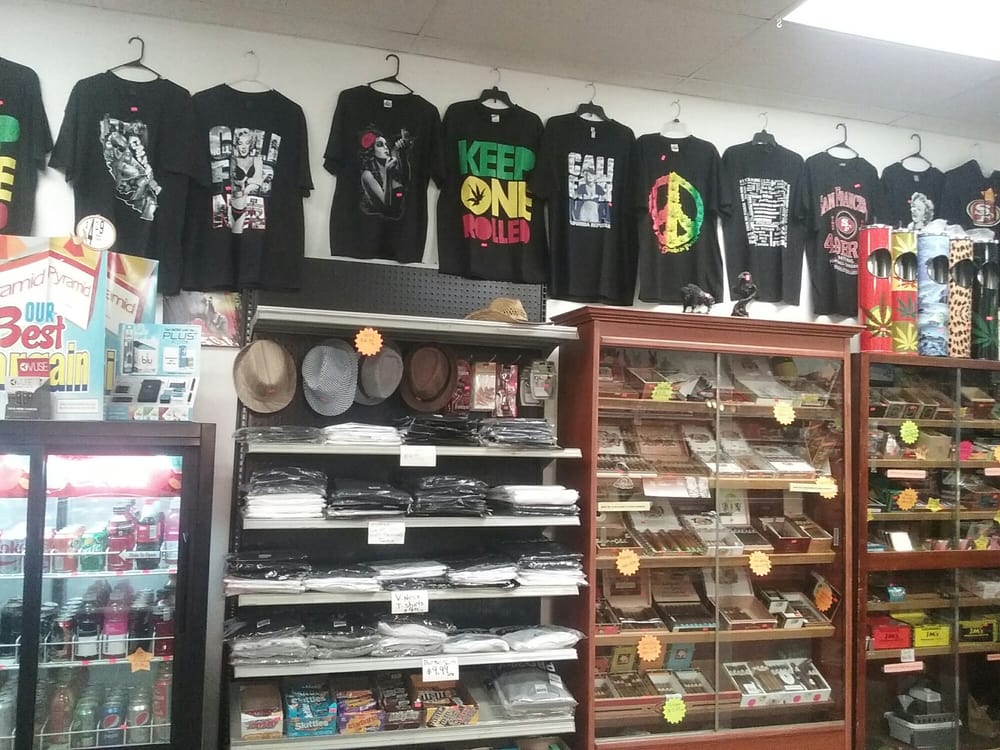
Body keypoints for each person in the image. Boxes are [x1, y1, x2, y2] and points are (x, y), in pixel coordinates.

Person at [359, 128, 410, 219]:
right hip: (374, 223)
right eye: (380, 145)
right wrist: (388, 174)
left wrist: (403, 155)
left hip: (400, 221)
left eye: (386, 144)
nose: (385, 147)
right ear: (371, 150)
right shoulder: (367, 175)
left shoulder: (391, 163)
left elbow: (405, 184)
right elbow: (386, 207)